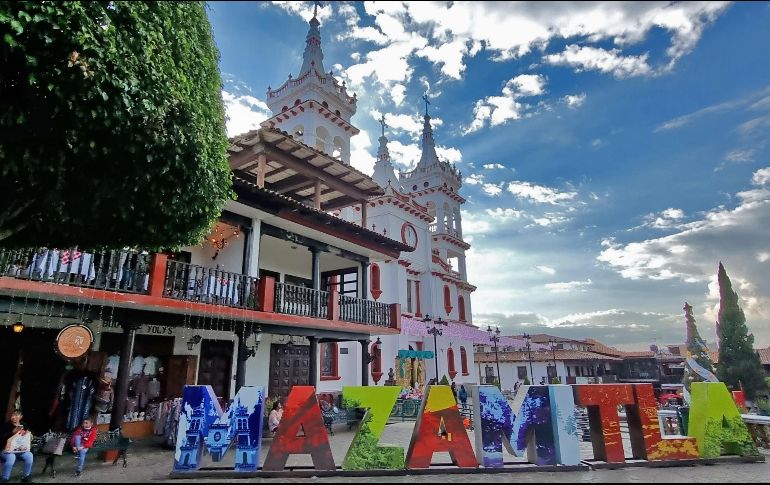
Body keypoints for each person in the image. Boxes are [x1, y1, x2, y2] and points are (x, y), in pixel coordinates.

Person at [1, 411, 33, 483]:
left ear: (20, 417)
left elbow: (28, 437)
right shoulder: (6, 425)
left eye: (16, 415)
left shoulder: (24, 425)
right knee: (11, 457)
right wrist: (12, 432)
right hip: (6, 450)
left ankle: (26, 477)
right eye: (12, 415)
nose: (13, 417)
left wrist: (28, 434)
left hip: (19, 450)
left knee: (29, 455)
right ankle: (5, 478)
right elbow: (2, 438)